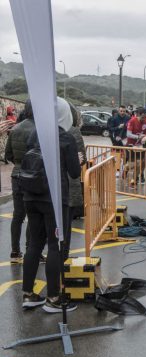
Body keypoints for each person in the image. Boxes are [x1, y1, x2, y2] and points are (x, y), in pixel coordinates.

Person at [22, 96, 80, 312]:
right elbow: (74, 172)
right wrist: (79, 159)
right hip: (54, 198)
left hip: (31, 195)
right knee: (55, 245)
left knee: (34, 244)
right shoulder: (65, 138)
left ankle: (28, 294)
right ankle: (53, 298)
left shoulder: (35, 132)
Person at [4, 100, 33, 264]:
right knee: (33, 215)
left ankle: (15, 251)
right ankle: (32, 250)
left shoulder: (15, 129)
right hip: (34, 176)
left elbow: (7, 155)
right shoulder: (38, 130)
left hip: (17, 175)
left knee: (18, 215)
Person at [63, 103, 86, 259]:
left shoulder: (41, 129)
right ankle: (63, 258)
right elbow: (81, 158)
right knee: (65, 226)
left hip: (41, 185)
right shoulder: (73, 132)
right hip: (68, 184)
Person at [126, 107, 146, 184]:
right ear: (138, 115)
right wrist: (137, 137)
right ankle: (125, 169)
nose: (144, 119)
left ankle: (135, 178)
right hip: (131, 145)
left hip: (141, 146)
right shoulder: (132, 121)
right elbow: (128, 134)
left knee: (140, 163)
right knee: (131, 165)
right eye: (143, 117)